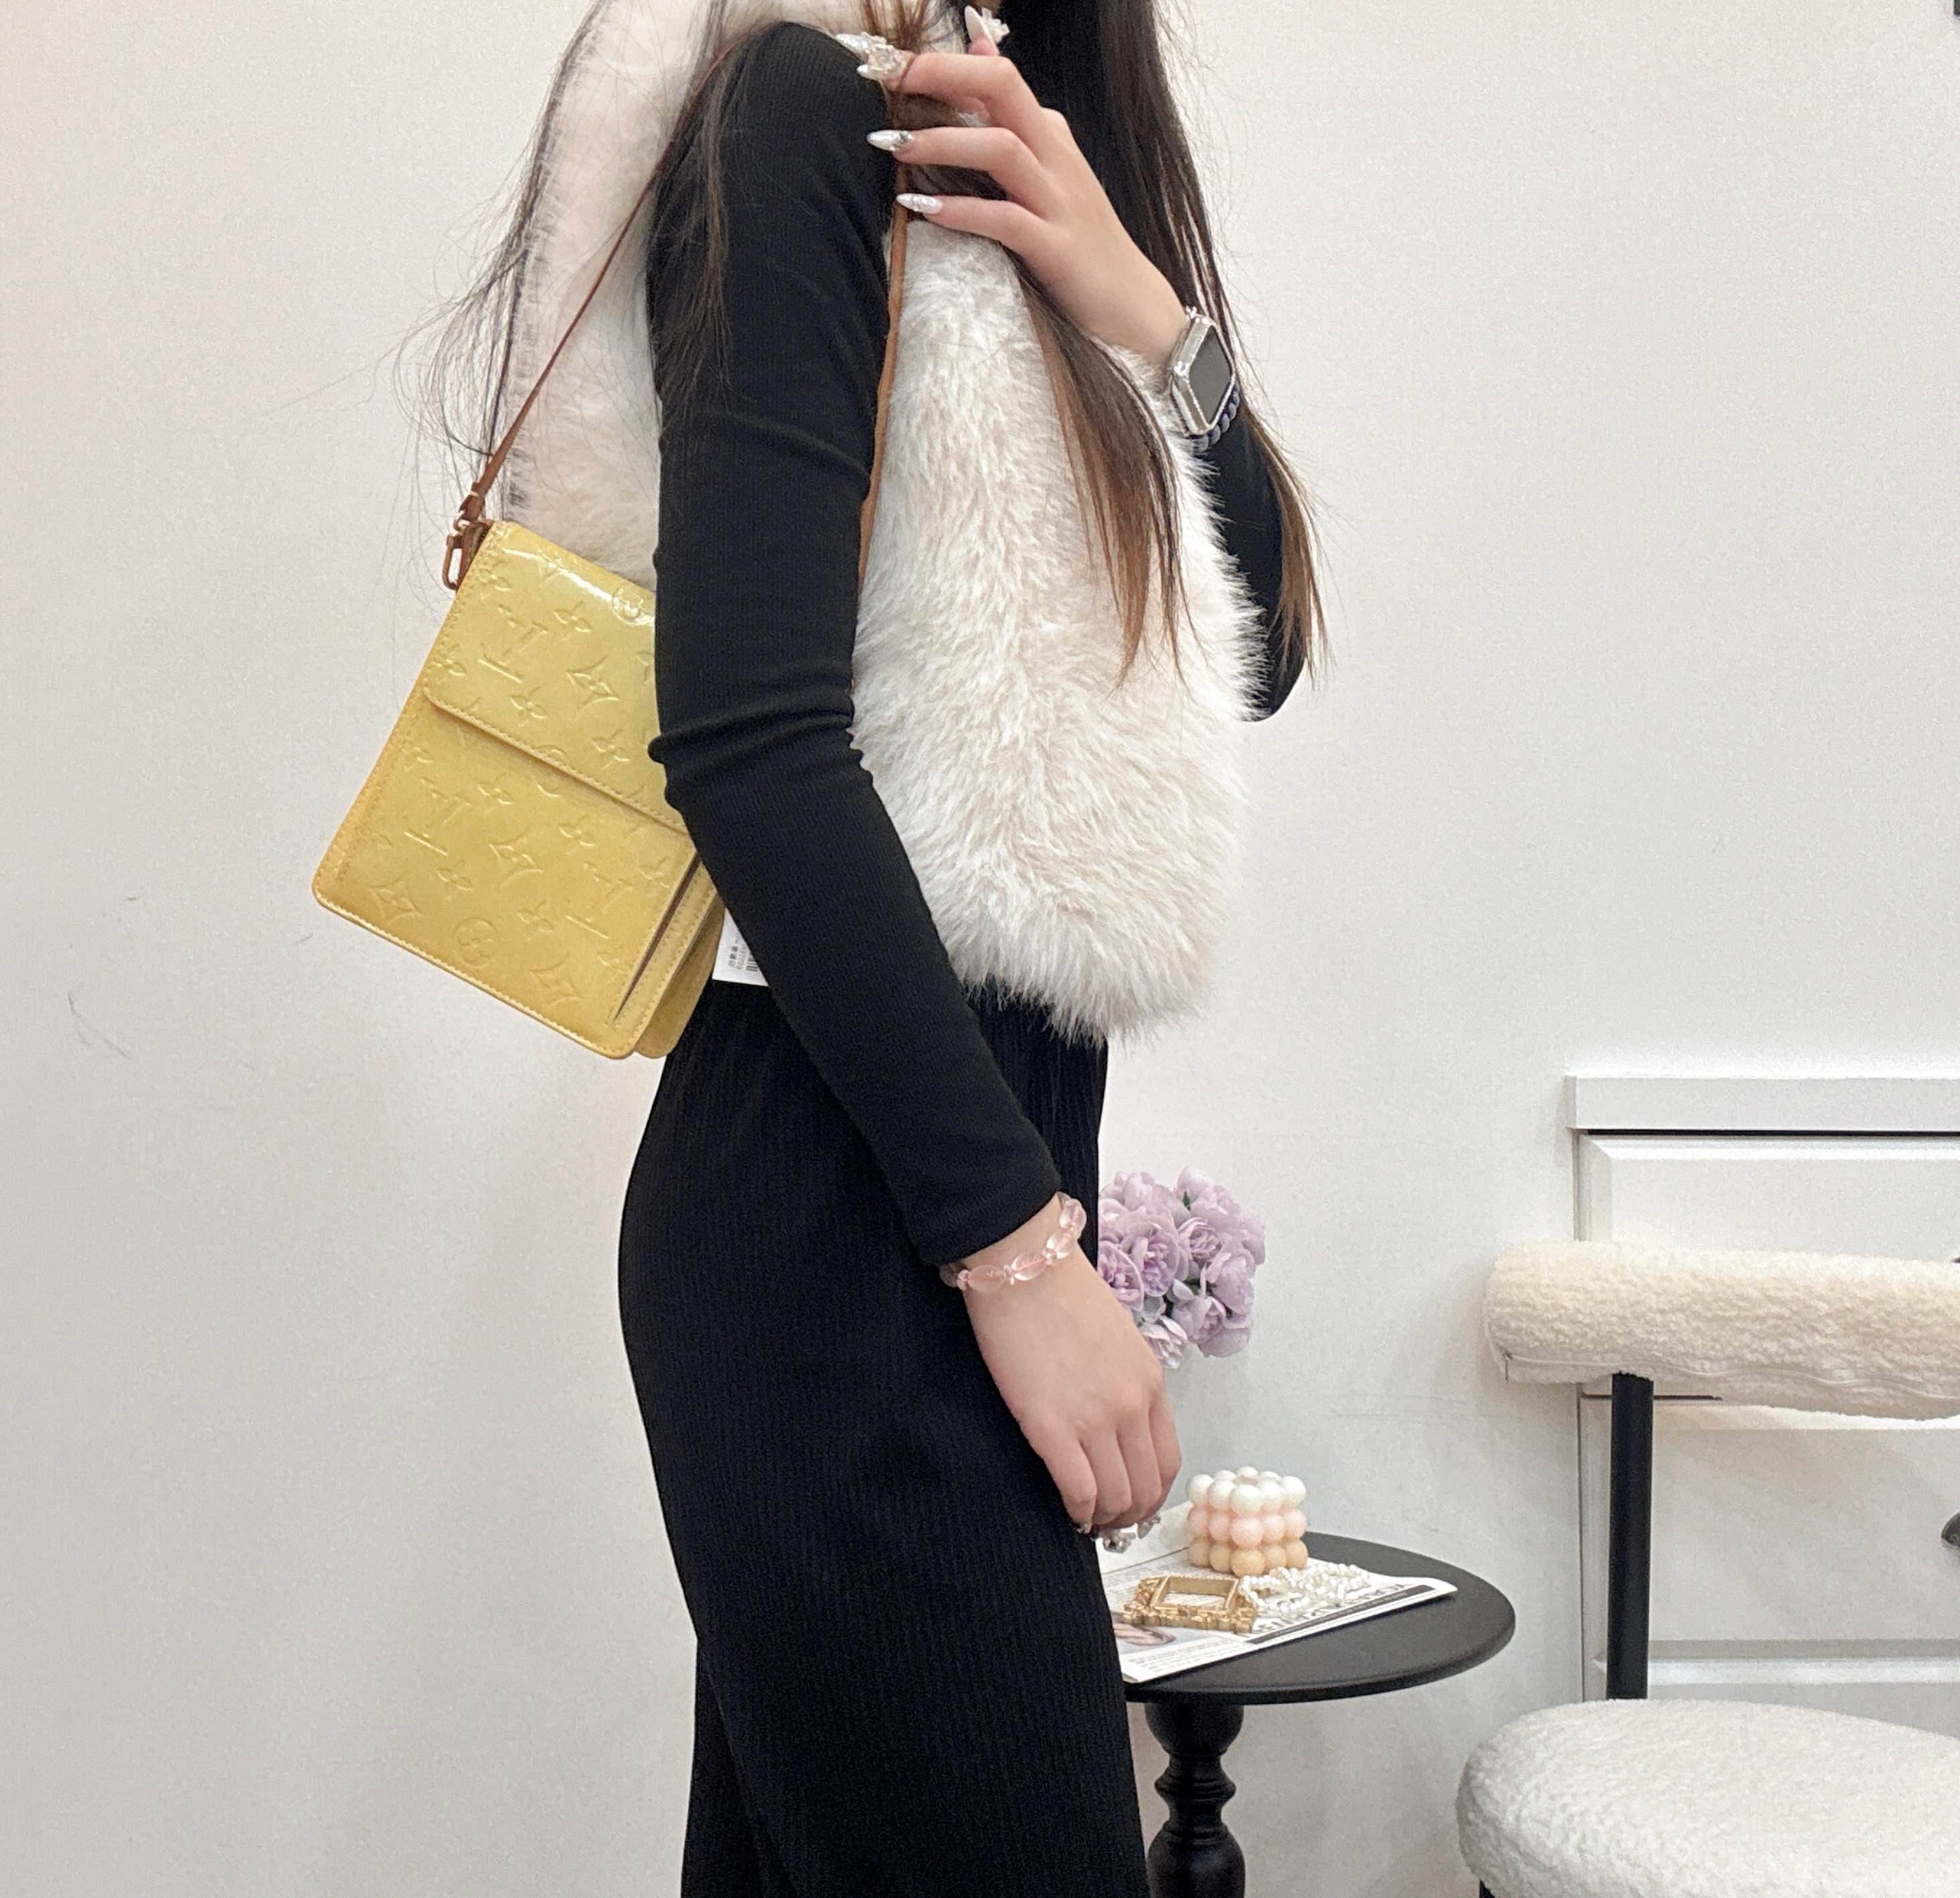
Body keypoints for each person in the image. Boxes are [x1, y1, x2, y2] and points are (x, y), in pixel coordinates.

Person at [429, 2, 1325, 1889]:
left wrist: (1148, 318)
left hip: (909, 1192)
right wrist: (1023, 1254)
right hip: (852, 1228)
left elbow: (1265, 641)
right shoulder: (793, 111)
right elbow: (750, 742)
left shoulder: (1008, 199)